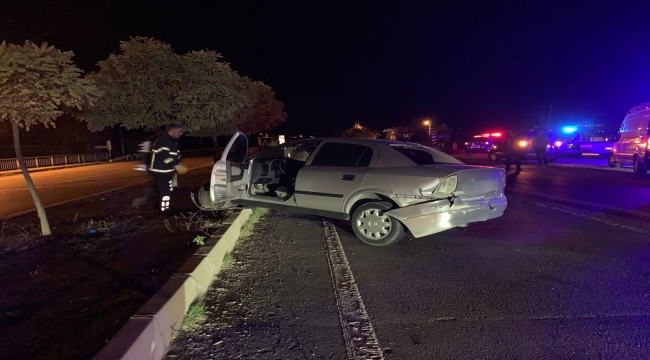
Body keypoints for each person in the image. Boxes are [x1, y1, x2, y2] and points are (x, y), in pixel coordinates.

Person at [149, 123, 188, 213]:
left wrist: (178, 162)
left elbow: (174, 155)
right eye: (179, 131)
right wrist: (176, 165)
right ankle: (164, 209)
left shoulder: (172, 140)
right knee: (165, 190)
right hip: (161, 170)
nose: (181, 133)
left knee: (167, 189)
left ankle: (163, 206)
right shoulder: (164, 141)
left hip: (167, 169)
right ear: (172, 131)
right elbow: (165, 157)